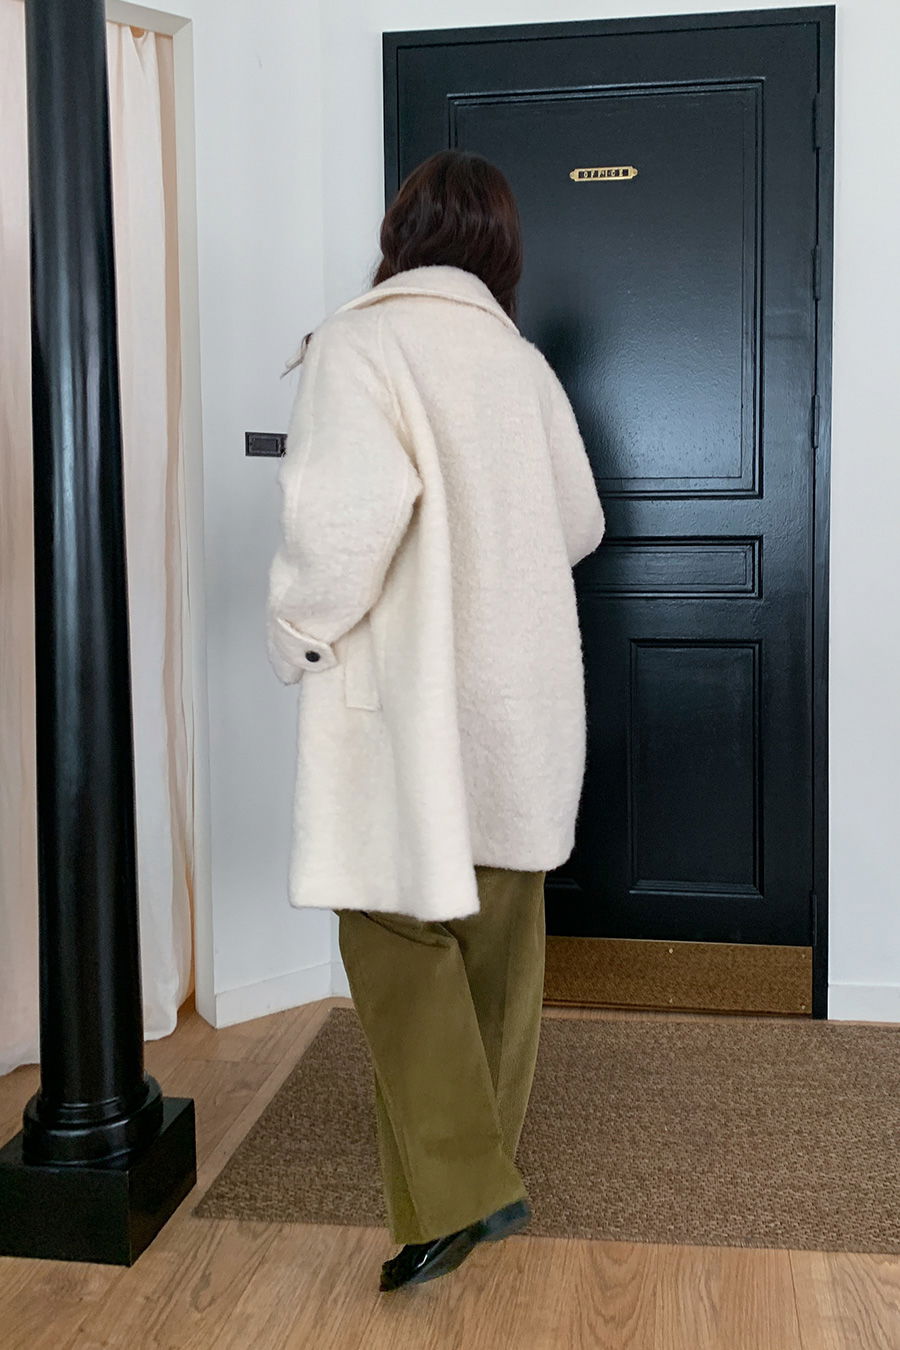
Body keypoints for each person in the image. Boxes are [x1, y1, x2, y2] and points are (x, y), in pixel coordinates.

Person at [265, 149, 605, 1291]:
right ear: (502, 249)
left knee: (388, 922)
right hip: (523, 699)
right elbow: (581, 522)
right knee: (498, 949)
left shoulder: (361, 343)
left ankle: (457, 1193)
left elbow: (340, 529)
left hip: (411, 703)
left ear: (399, 232)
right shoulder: (520, 362)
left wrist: (297, 631)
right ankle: (467, 1191)